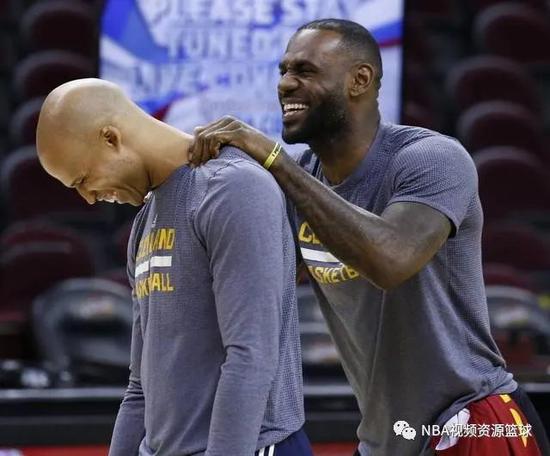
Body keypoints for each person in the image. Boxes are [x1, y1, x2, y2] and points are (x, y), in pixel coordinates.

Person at [188, 19, 550, 456]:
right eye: (283, 71)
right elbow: (249, 280)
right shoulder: (298, 178)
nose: (285, 84)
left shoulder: (432, 158)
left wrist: (274, 161)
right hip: (388, 435)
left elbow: (390, 260)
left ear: (359, 80)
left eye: (305, 70)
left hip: (470, 418)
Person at [35, 78, 313, 456]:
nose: (88, 198)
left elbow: (250, 358)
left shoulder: (232, 189)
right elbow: (140, 387)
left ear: (111, 138)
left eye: (83, 179)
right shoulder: (143, 224)